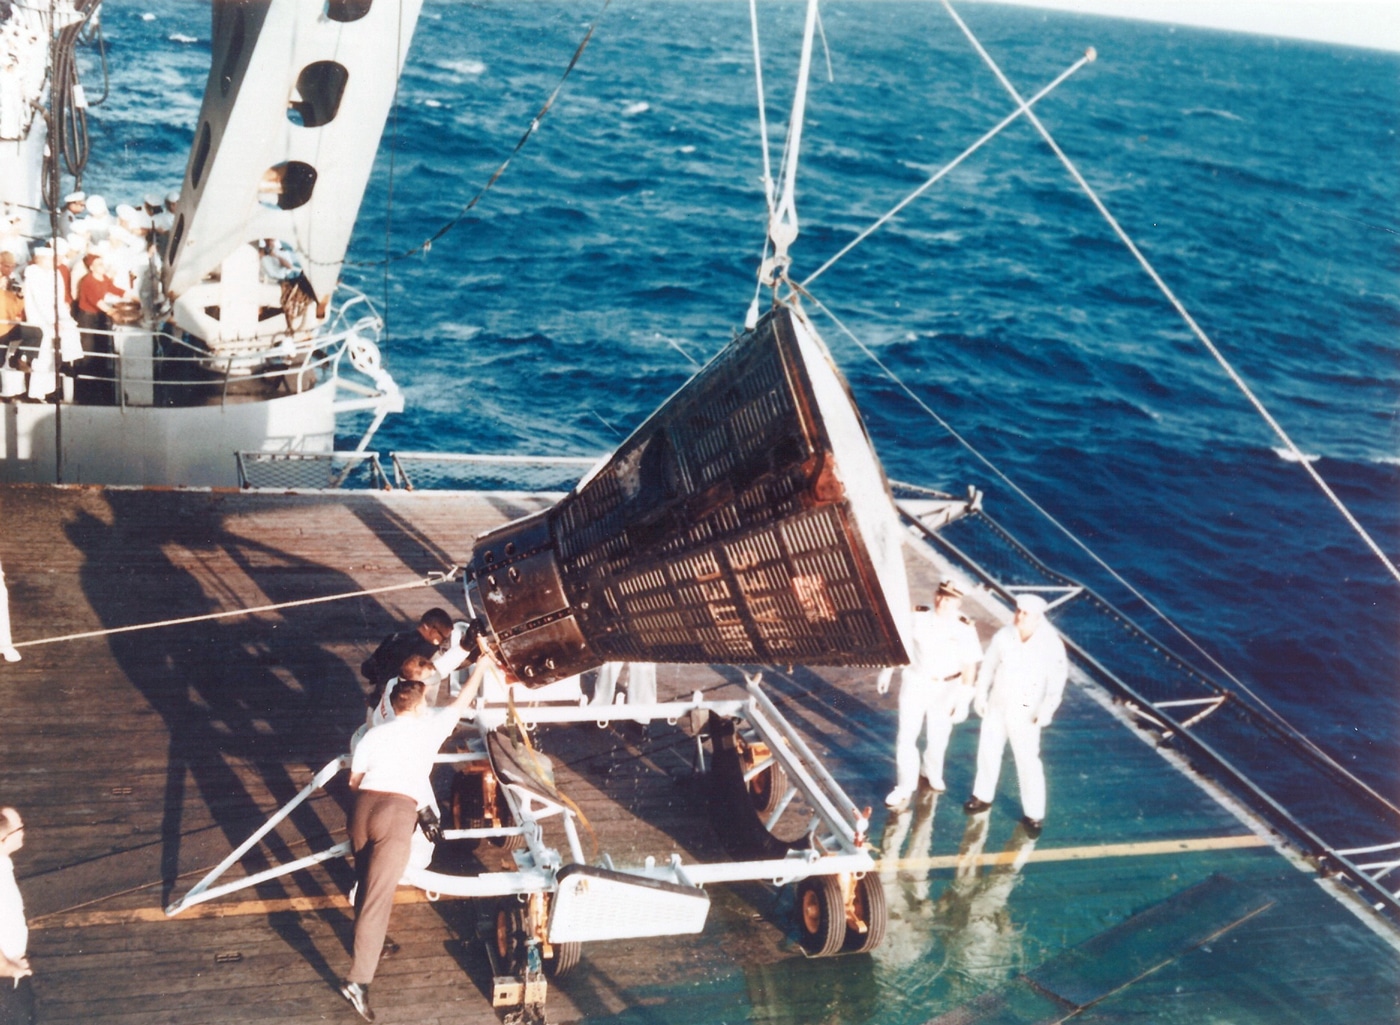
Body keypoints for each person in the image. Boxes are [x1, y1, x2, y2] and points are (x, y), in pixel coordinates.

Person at [339, 654, 493, 1022]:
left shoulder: (373, 731)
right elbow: (462, 700)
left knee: (365, 882)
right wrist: (483, 666)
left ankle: (367, 947)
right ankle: (359, 981)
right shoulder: (430, 728)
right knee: (379, 898)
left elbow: (354, 781)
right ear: (420, 705)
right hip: (396, 814)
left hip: (362, 810)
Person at [962, 593, 1067, 837]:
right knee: (988, 751)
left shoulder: (1051, 644)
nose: (1019, 616)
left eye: (1025, 614)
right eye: (1018, 611)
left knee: (1028, 762)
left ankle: (1034, 814)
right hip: (998, 704)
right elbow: (988, 666)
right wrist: (980, 695)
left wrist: (1046, 710)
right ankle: (982, 796)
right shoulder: (1004, 635)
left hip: (1026, 712)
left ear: (1038, 618)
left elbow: (1057, 681)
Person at [881, 578, 983, 810]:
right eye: (940, 595)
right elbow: (897, 642)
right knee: (906, 736)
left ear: (958, 603)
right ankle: (904, 786)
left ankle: (931, 771)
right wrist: (887, 670)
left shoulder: (964, 627)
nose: (941, 602)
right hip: (916, 681)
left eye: (949, 599)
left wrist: (964, 699)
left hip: (947, 687)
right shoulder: (918, 615)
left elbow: (970, 666)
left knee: (938, 736)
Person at [358, 610, 451, 712]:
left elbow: (366, 670)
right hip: (405, 714)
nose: (443, 642)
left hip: (378, 707)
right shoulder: (432, 656)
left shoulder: (393, 638)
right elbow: (428, 699)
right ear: (432, 631)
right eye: (444, 638)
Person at [73, 253, 125, 404]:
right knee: (88, 352)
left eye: (103, 263)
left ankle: (100, 387)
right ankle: (84, 392)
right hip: (88, 318)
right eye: (99, 264)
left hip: (99, 317)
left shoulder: (104, 278)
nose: (103, 266)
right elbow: (97, 301)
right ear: (91, 267)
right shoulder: (88, 281)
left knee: (101, 350)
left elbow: (114, 289)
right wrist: (114, 313)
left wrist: (135, 298)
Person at [0, 807, 34, 1025]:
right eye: (20, 827)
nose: (23, 832)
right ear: (3, 838)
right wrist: (7, 967)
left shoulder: (4, 866)